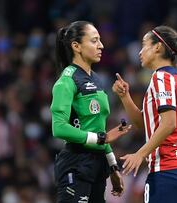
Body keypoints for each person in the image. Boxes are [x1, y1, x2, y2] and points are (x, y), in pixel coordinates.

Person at [112, 25, 177, 203]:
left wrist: (140, 154)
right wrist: (125, 97)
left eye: (144, 45)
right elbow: (146, 124)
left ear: (158, 47)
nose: (140, 51)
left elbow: (168, 124)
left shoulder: (161, 77)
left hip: (167, 170)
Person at [50, 21, 132, 203]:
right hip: (75, 164)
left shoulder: (96, 79)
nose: (101, 46)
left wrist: (113, 167)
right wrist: (102, 138)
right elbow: (59, 128)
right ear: (76, 46)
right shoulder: (67, 80)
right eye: (94, 41)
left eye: (100, 40)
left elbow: (98, 127)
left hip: (97, 165)